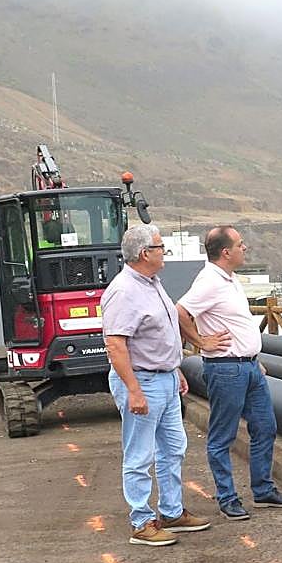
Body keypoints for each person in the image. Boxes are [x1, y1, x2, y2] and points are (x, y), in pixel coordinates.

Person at [177, 227, 282, 520]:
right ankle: (227, 497)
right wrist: (200, 341)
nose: (245, 248)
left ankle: (263, 490)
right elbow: (180, 311)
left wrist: (252, 357)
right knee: (223, 435)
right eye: (240, 244)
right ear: (226, 252)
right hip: (226, 368)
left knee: (265, 426)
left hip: (249, 366)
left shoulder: (229, 279)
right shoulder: (209, 281)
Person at [102, 223, 211, 546]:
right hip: (142, 381)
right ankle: (141, 521)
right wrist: (133, 390)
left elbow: (161, 333)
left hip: (163, 378)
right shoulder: (124, 291)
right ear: (144, 253)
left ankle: (172, 511)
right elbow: (116, 345)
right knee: (140, 454)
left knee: (173, 448)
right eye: (160, 247)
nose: (165, 252)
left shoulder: (152, 283)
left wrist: (174, 369)